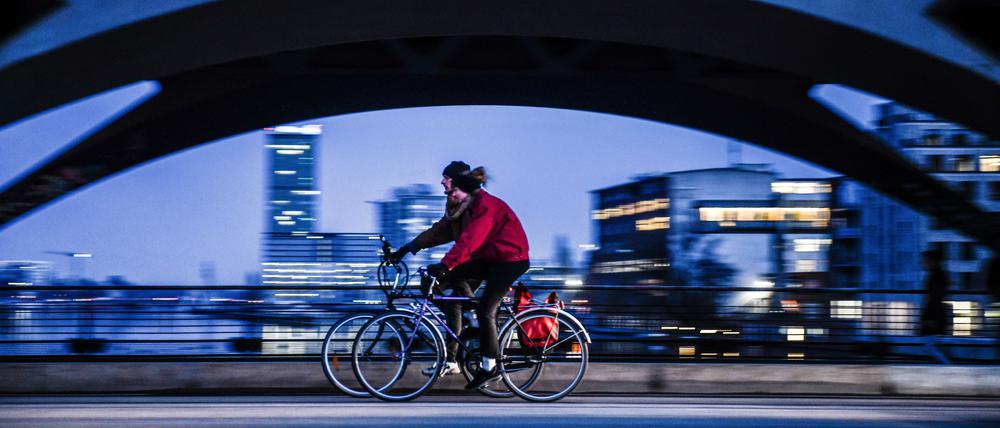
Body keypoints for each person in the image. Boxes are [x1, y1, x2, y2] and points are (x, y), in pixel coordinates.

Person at [390, 161, 530, 389]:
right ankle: (465, 333)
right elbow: (441, 230)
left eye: (448, 182)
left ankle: (489, 365)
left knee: (486, 309)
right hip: (487, 258)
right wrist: (408, 247)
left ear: (461, 186)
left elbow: (470, 240)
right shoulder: (461, 206)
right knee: (437, 286)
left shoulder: (484, 206)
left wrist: (445, 264)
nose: (444, 185)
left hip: (510, 260)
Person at [918, 248, 950, 364]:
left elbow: (934, 298)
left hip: (934, 316)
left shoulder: (936, 276)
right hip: (937, 315)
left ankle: (949, 368)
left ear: (933, 261)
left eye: (926, 260)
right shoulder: (938, 275)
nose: (924, 263)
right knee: (932, 346)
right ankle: (946, 367)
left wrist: (928, 319)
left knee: (930, 346)